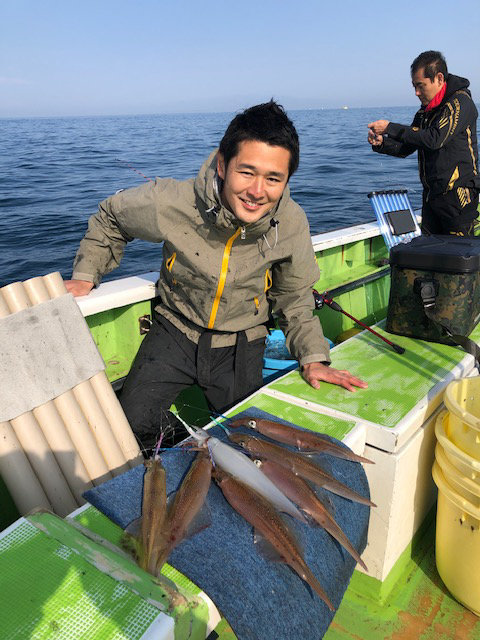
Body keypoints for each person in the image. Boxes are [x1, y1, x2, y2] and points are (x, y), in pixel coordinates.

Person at [66, 100, 367, 453]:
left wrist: (313, 357)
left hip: (241, 343)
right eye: (247, 171)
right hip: (174, 330)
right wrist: (87, 273)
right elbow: (111, 216)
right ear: (223, 165)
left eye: (273, 179)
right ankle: (187, 450)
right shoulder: (174, 201)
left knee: (247, 444)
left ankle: (211, 452)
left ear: (287, 180)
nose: (257, 191)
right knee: (131, 427)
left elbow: (294, 296)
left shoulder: (292, 222)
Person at [368, 50, 480, 235]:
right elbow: (406, 147)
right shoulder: (425, 112)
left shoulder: (460, 103)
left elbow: (434, 138)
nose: (416, 92)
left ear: (439, 78)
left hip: (458, 198)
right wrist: (381, 143)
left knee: (457, 256)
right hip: (431, 197)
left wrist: (390, 127)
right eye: (414, 86)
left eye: (420, 86)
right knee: (430, 252)